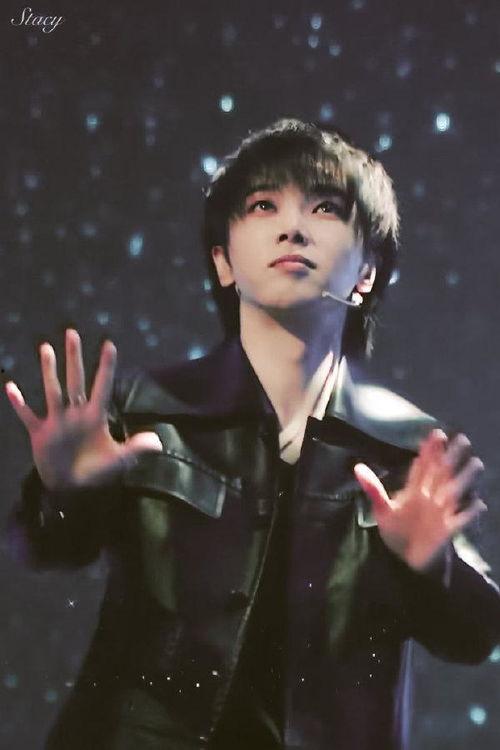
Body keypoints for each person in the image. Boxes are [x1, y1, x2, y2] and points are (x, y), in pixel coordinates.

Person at [5, 118, 500, 750]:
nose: (293, 228)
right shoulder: (145, 411)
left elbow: (475, 635)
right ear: (223, 261)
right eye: (264, 205)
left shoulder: (413, 448)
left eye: (325, 208)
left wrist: (433, 568)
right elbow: (40, 550)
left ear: (366, 274)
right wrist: (63, 493)